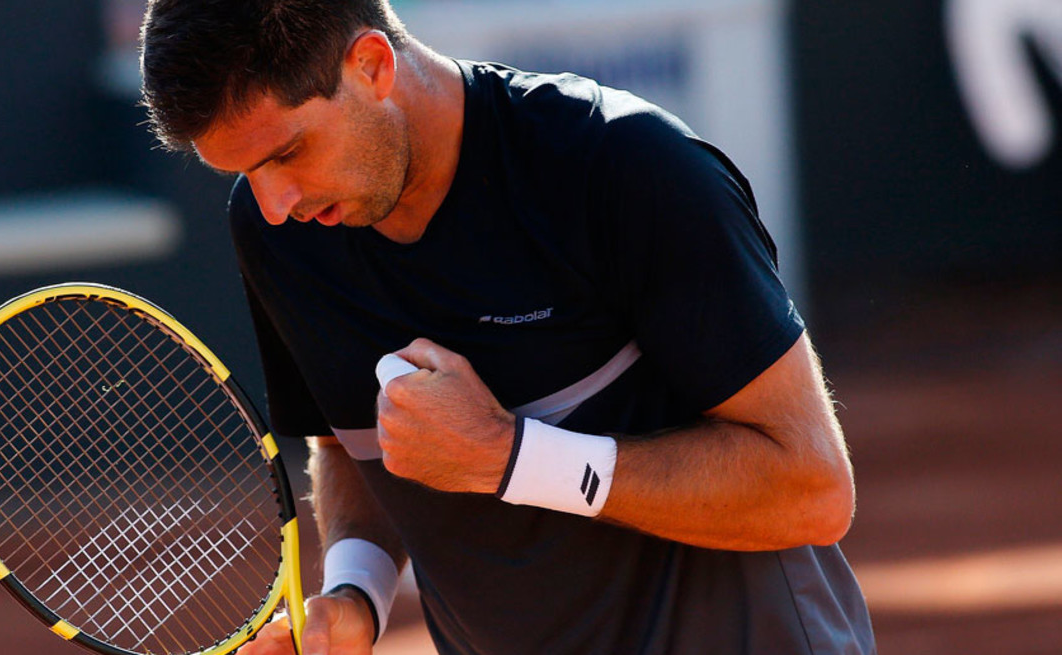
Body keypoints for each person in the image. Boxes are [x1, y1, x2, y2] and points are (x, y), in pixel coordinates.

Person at [140, 1, 875, 653]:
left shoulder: (624, 166)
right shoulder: (279, 233)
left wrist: (511, 457)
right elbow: (353, 444)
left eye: (288, 152)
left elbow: (809, 487)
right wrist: (353, 595)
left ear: (370, 64)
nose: (275, 202)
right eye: (242, 173)